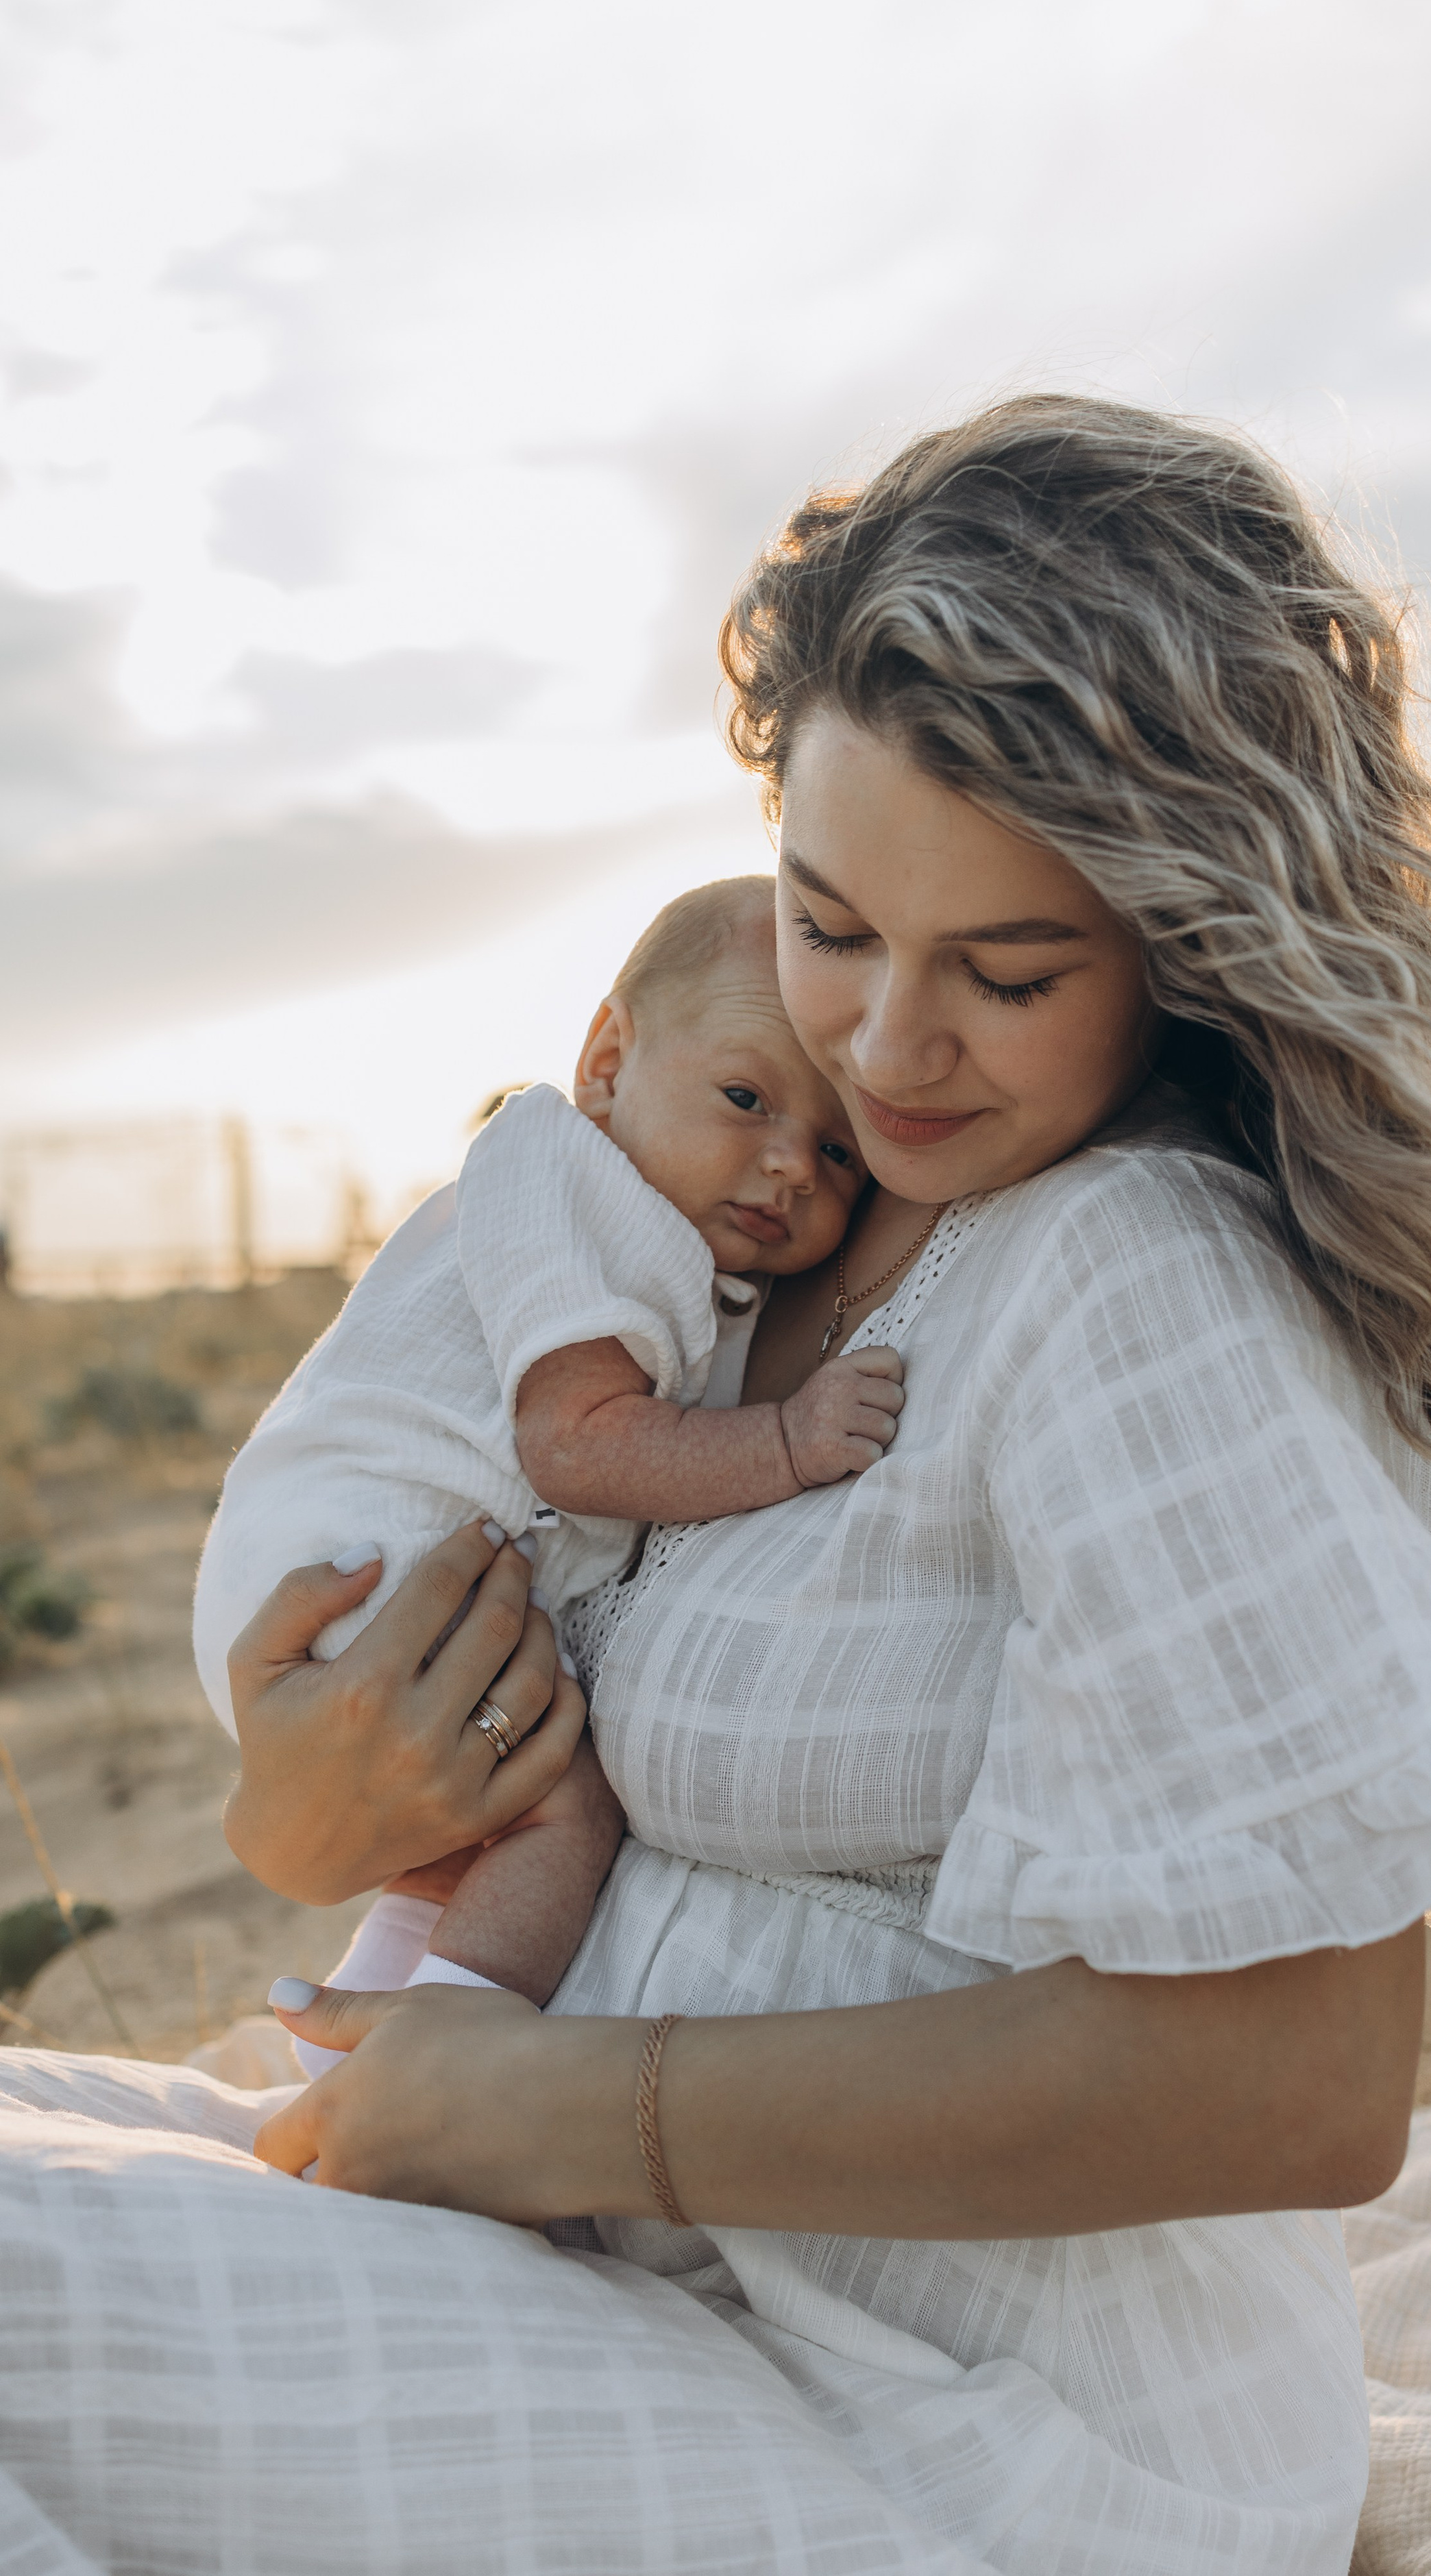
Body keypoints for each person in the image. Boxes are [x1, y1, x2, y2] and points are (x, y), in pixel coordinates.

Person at [0, 397, 1431, 2576]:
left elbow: (1303, 2081)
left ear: (1183, 944)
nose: (884, 1050)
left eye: (1006, 970)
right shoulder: (731, 1248)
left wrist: (549, 2104)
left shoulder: (1131, 1277)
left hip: (982, 2429)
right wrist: (308, 1812)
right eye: (825, 923)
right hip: (652, 2272)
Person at [192, 876, 901, 2048]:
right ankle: (454, 2051)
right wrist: (785, 1440)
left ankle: (367, 2014)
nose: (790, 1166)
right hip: (360, 1571)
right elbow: (575, 1442)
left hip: (350, 1585)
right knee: (561, 1807)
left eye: (837, 1150)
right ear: (608, 1059)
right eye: (744, 1097)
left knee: (467, 1836)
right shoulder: (572, 1181)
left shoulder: (660, 1226)